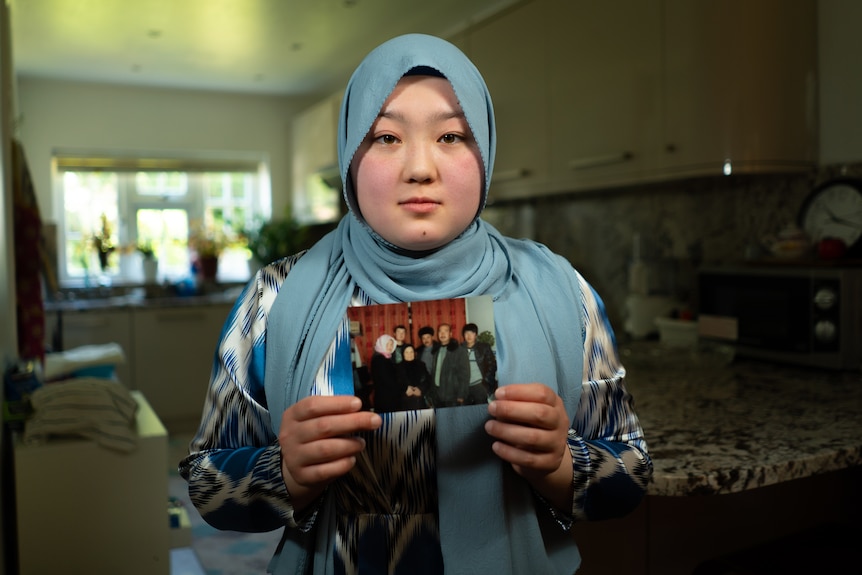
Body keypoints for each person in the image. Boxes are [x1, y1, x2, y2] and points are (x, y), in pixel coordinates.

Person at [179, 33, 652, 575]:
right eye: (385, 137)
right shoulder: (276, 297)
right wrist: (282, 473)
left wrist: (563, 467)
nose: (420, 168)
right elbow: (206, 484)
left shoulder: (562, 288)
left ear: (487, 152)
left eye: (452, 134)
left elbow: (632, 469)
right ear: (350, 157)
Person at [429, 323, 469, 408]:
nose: (442, 334)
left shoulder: (459, 351)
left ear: (450, 333)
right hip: (437, 395)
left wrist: (461, 395)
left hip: (452, 396)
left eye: (445, 331)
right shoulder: (436, 350)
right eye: (440, 331)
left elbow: (465, 375)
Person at [461, 323, 497, 404]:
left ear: (476, 335)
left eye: (472, 333)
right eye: (466, 333)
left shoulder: (484, 347)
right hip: (465, 387)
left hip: (479, 385)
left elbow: (492, 365)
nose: (469, 336)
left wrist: (486, 381)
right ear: (463, 335)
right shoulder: (460, 349)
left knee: (481, 411)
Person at [396, 343, 432, 410]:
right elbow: (396, 383)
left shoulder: (421, 365)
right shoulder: (398, 367)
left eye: (411, 352)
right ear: (403, 354)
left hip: (419, 400)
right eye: (406, 352)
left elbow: (428, 380)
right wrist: (405, 389)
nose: (409, 354)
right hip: (404, 402)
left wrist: (420, 389)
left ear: (414, 353)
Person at [369, 333, 399, 413]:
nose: (390, 347)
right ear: (382, 344)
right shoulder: (379, 359)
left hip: (387, 396)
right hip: (385, 398)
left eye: (391, 344)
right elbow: (387, 380)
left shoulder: (386, 357)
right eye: (387, 344)